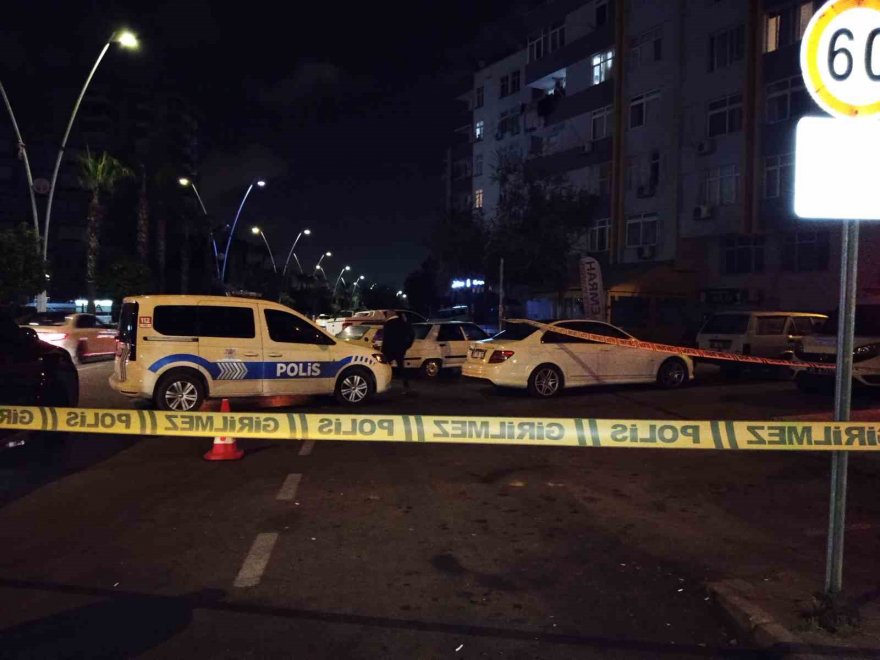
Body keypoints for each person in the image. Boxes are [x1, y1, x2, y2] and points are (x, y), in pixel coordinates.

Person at [381, 312, 415, 391]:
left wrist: (383, 350)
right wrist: (406, 346)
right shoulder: (404, 324)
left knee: (386, 366)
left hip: (389, 349)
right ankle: (406, 384)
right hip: (400, 349)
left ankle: (386, 383)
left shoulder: (388, 324)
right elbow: (412, 335)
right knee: (401, 367)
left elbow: (385, 339)